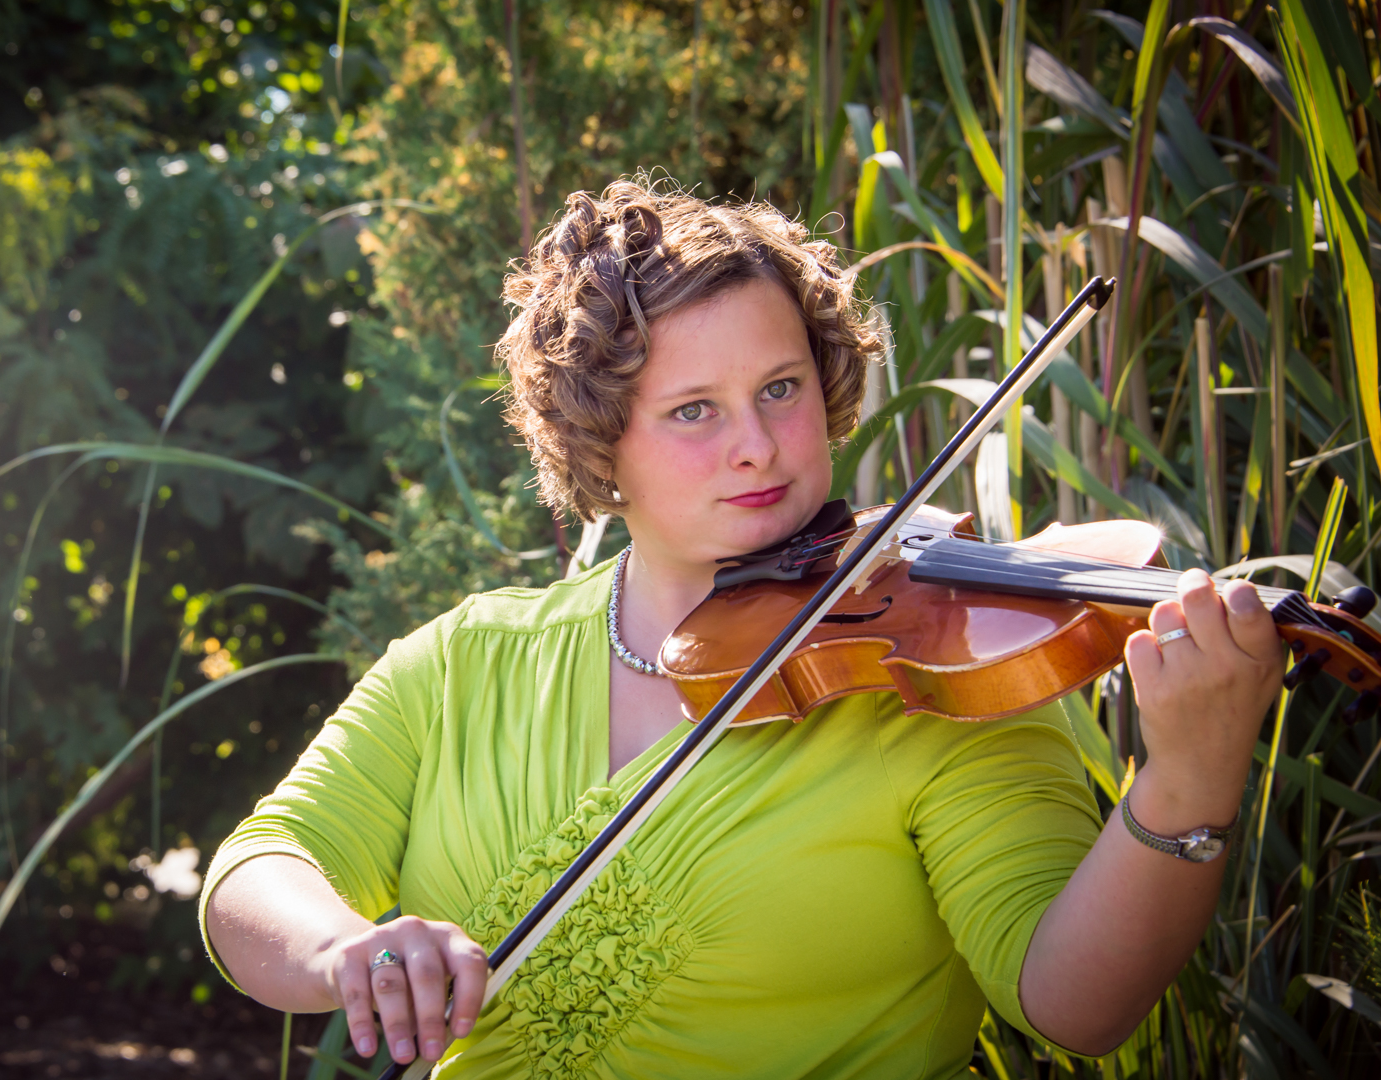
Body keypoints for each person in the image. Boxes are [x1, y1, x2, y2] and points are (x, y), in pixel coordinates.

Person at [198, 177, 1284, 1077]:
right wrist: (347, 954)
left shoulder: (929, 670)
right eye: (694, 411)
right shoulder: (466, 662)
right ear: (597, 442)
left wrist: (1187, 782)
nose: (757, 445)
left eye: (780, 388)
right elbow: (259, 868)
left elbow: (1075, 1005)